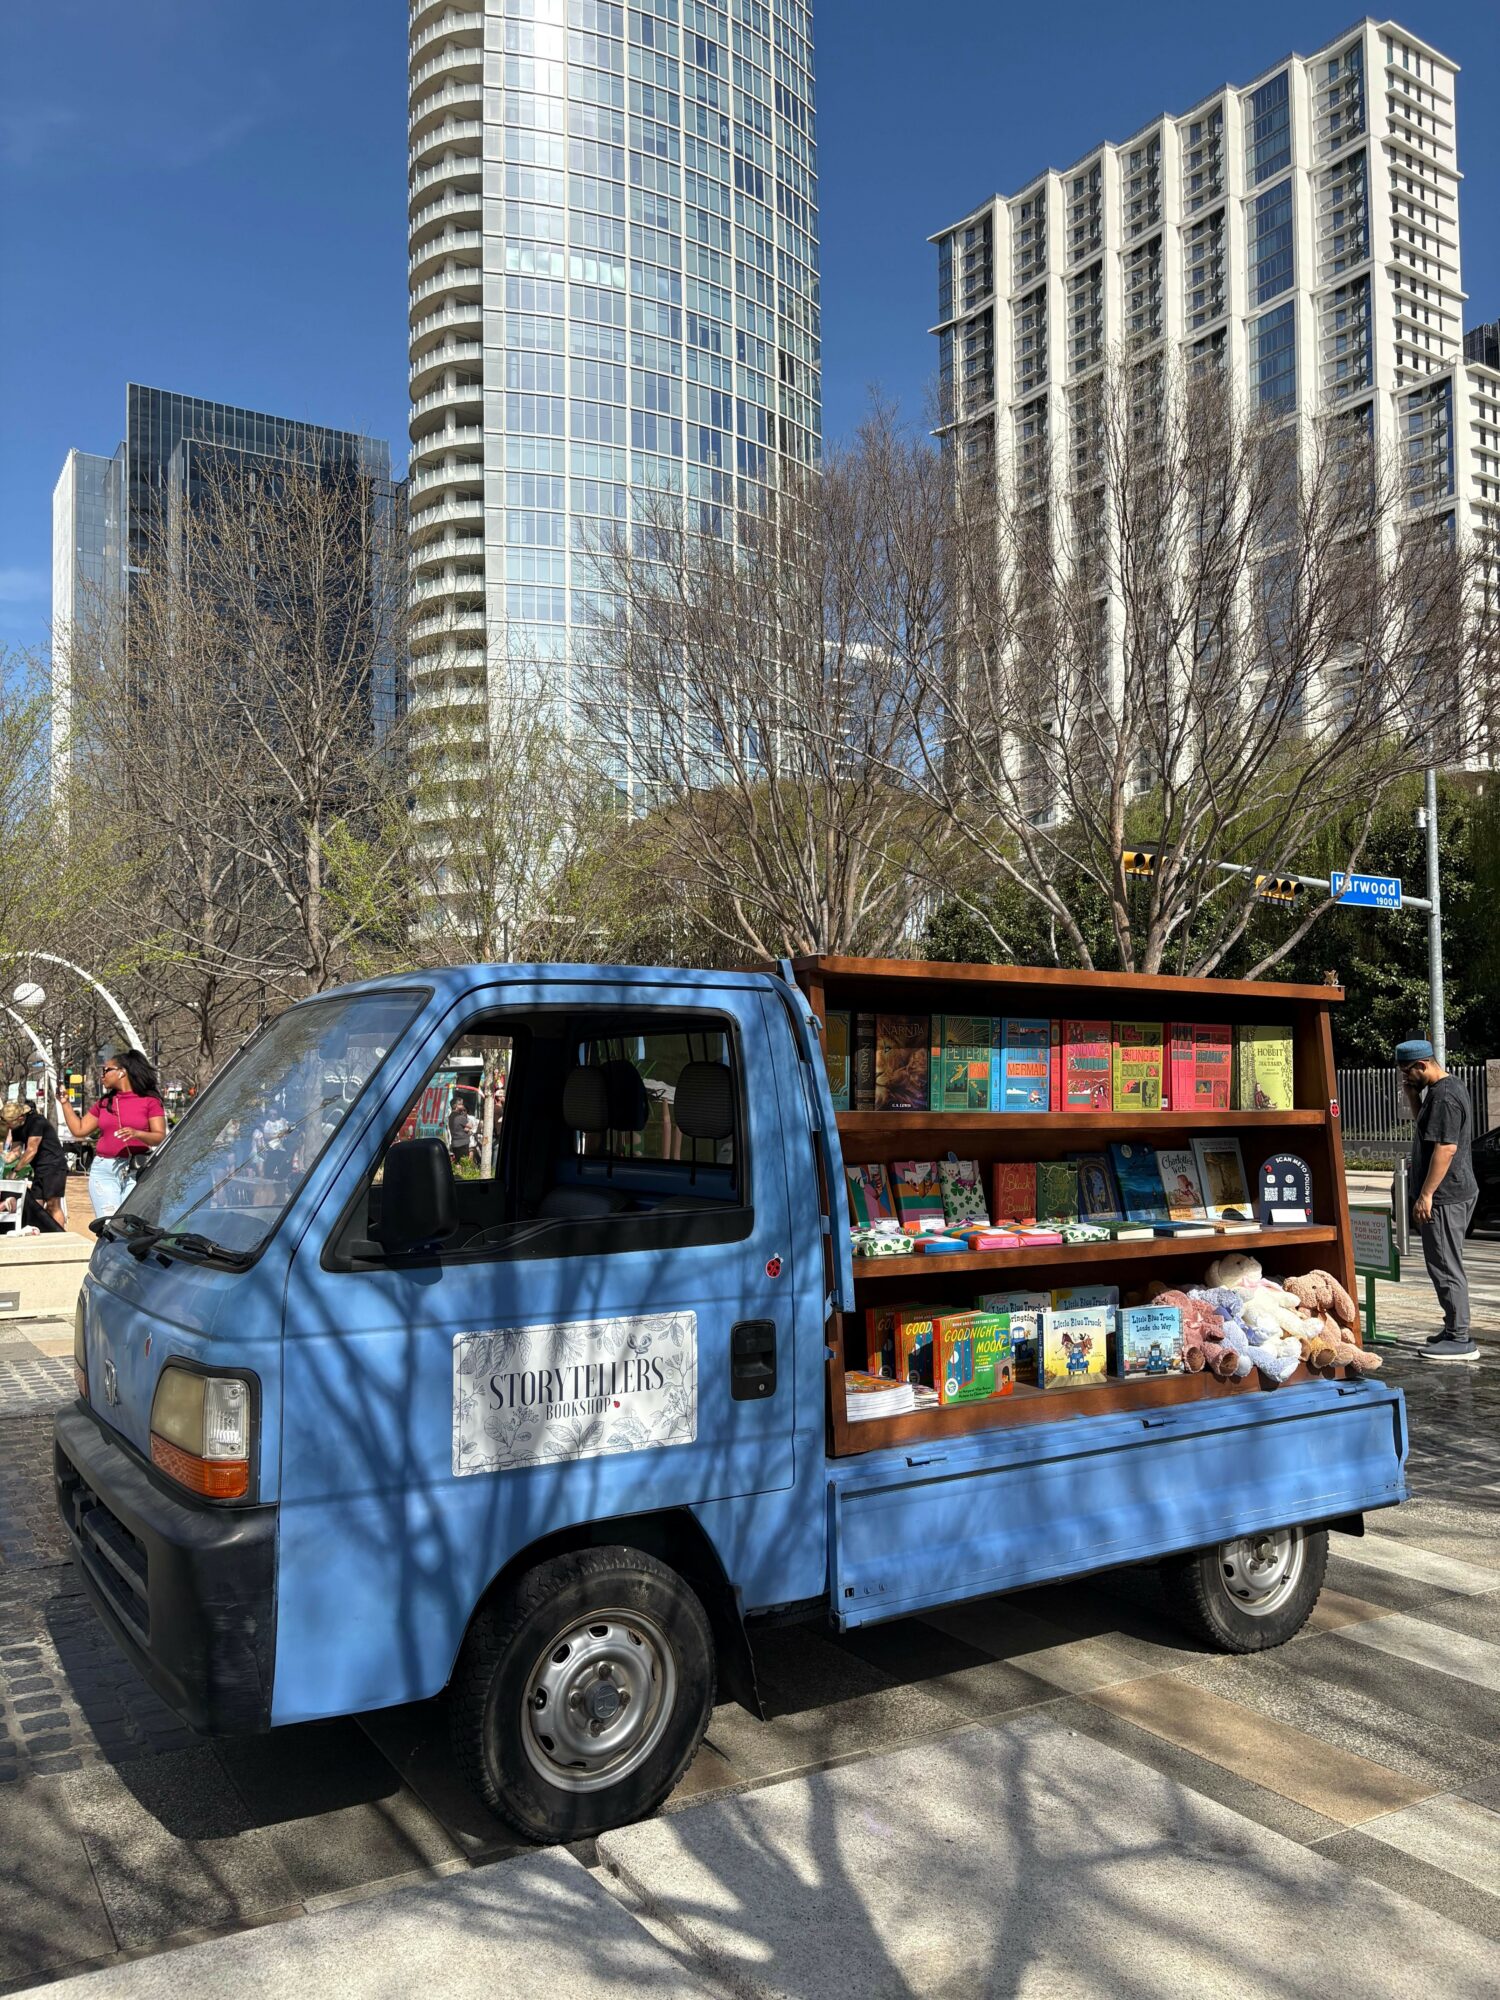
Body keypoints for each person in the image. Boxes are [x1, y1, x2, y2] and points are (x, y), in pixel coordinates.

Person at [1398, 1037, 1481, 1363]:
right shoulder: (1438, 1091)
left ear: (1423, 1065)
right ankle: (1452, 1328)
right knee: (1442, 1265)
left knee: (1446, 1266)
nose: (1405, 1078)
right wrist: (1411, 1097)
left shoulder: (1445, 1097)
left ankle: (1461, 1339)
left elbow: (1445, 1149)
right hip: (1449, 1194)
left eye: (1408, 1072)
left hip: (1445, 1197)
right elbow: (1427, 1132)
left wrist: (1427, 1195)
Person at [59, 1051, 167, 1220]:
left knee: (130, 1224)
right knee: (108, 1225)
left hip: (136, 1171)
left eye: (106, 1070)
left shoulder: (149, 1101)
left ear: (122, 1071)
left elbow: (159, 1136)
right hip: (104, 1170)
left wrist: (137, 1134)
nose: (102, 1076)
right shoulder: (104, 1103)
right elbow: (79, 1130)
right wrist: (65, 1103)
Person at [0, 1098, 69, 1226]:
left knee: (53, 1204)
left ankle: (60, 1235)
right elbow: (16, 1151)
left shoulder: (37, 1121)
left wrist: (16, 1171)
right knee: (36, 1206)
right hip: (38, 1168)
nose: (8, 1126)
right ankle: (40, 1232)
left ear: (20, 1118)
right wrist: (4, 1157)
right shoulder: (16, 1128)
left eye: (10, 1122)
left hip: (54, 1165)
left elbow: (31, 1150)